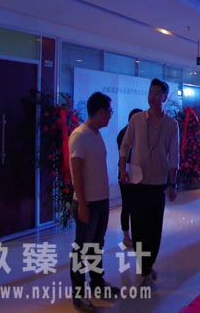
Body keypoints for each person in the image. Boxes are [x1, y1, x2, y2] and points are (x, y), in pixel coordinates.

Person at [119, 78, 180, 287]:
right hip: (136, 181)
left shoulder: (171, 125)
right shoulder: (137, 119)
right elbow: (125, 145)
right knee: (138, 227)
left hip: (158, 183)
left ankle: (147, 264)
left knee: (154, 228)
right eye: (150, 93)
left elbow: (174, 155)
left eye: (157, 93)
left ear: (164, 97)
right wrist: (122, 169)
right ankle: (144, 267)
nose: (152, 97)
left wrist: (172, 183)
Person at [69, 92, 120, 313]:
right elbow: (76, 172)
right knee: (81, 249)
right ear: (100, 112)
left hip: (101, 200)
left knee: (96, 246)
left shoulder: (96, 134)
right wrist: (82, 203)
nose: (110, 115)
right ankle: (79, 295)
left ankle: (98, 283)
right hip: (87, 202)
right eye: (109, 111)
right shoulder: (79, 135)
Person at [116, 108, 142, 248]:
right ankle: (127, 237)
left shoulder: (134, 132)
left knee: (134, 205)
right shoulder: (125, 134)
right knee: (127, 205)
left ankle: (134, 235)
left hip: (134, 173)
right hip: (126, 173)